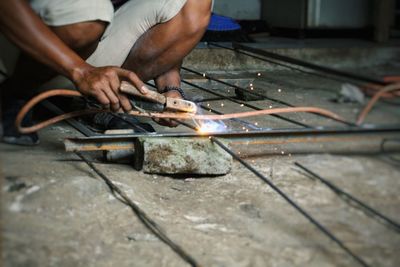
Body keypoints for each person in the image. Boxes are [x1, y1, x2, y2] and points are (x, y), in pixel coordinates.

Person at [0, 0, 213, 145]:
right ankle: (14, 92)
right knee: (88, 11)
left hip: (96, 36)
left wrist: (170, 87)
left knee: (194, 3)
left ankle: (104, 100)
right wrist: (81, 71)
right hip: (23, 40)